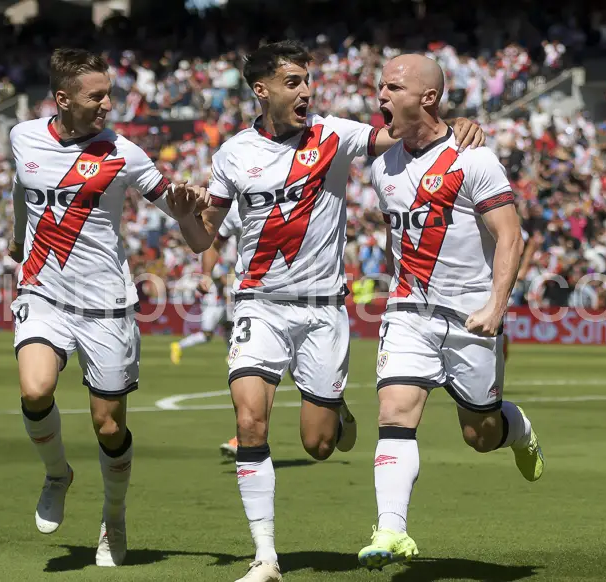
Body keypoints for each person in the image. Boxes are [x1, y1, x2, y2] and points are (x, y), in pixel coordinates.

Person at [168, 40, 485, 582]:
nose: (307, 91)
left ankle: (336, 411)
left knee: (317, 445)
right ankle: (266, 556)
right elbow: (205, 239)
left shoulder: (335, 135)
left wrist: (453, 119)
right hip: (258, 303)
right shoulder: (233, 154)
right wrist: (183, 218)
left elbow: (407, 129)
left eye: (308, 80)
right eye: (293, 82)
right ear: (261, 90)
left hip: (322, 311)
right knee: (249, 422)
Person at [8, 48, 205, 568]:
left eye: (108, 93)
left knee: (109, 427)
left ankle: (113, 518)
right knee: (35, 389)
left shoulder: (125, 153)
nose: (107, 104)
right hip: (41, 292)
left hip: (106, 305)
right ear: (62, 99)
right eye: (96, 96)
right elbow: (19, 187)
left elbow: (174, 206)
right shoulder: (23, 137)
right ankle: (57, 474)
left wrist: (188, 211)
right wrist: (15, 239)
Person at [356, 54, 544, 570]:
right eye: (380, 86)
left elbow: (510, 235)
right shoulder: (382, 165)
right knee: (394, 411)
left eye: (393, 87)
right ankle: (391, 529)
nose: (382, 95)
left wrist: (496, 305)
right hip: (408, 309)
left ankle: (517, 428)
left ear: (428, 97)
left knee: (478, 435)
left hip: (470, 315)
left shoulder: (474, 158)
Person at [170, 204, 242, 366]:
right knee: (207, 335)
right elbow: (220, 279)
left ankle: (232, 355)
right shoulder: (214, 264)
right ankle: (179, 346)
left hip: (219, 303)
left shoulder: (218, 261)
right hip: (213, 303)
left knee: (229, 328)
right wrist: (229, 281)